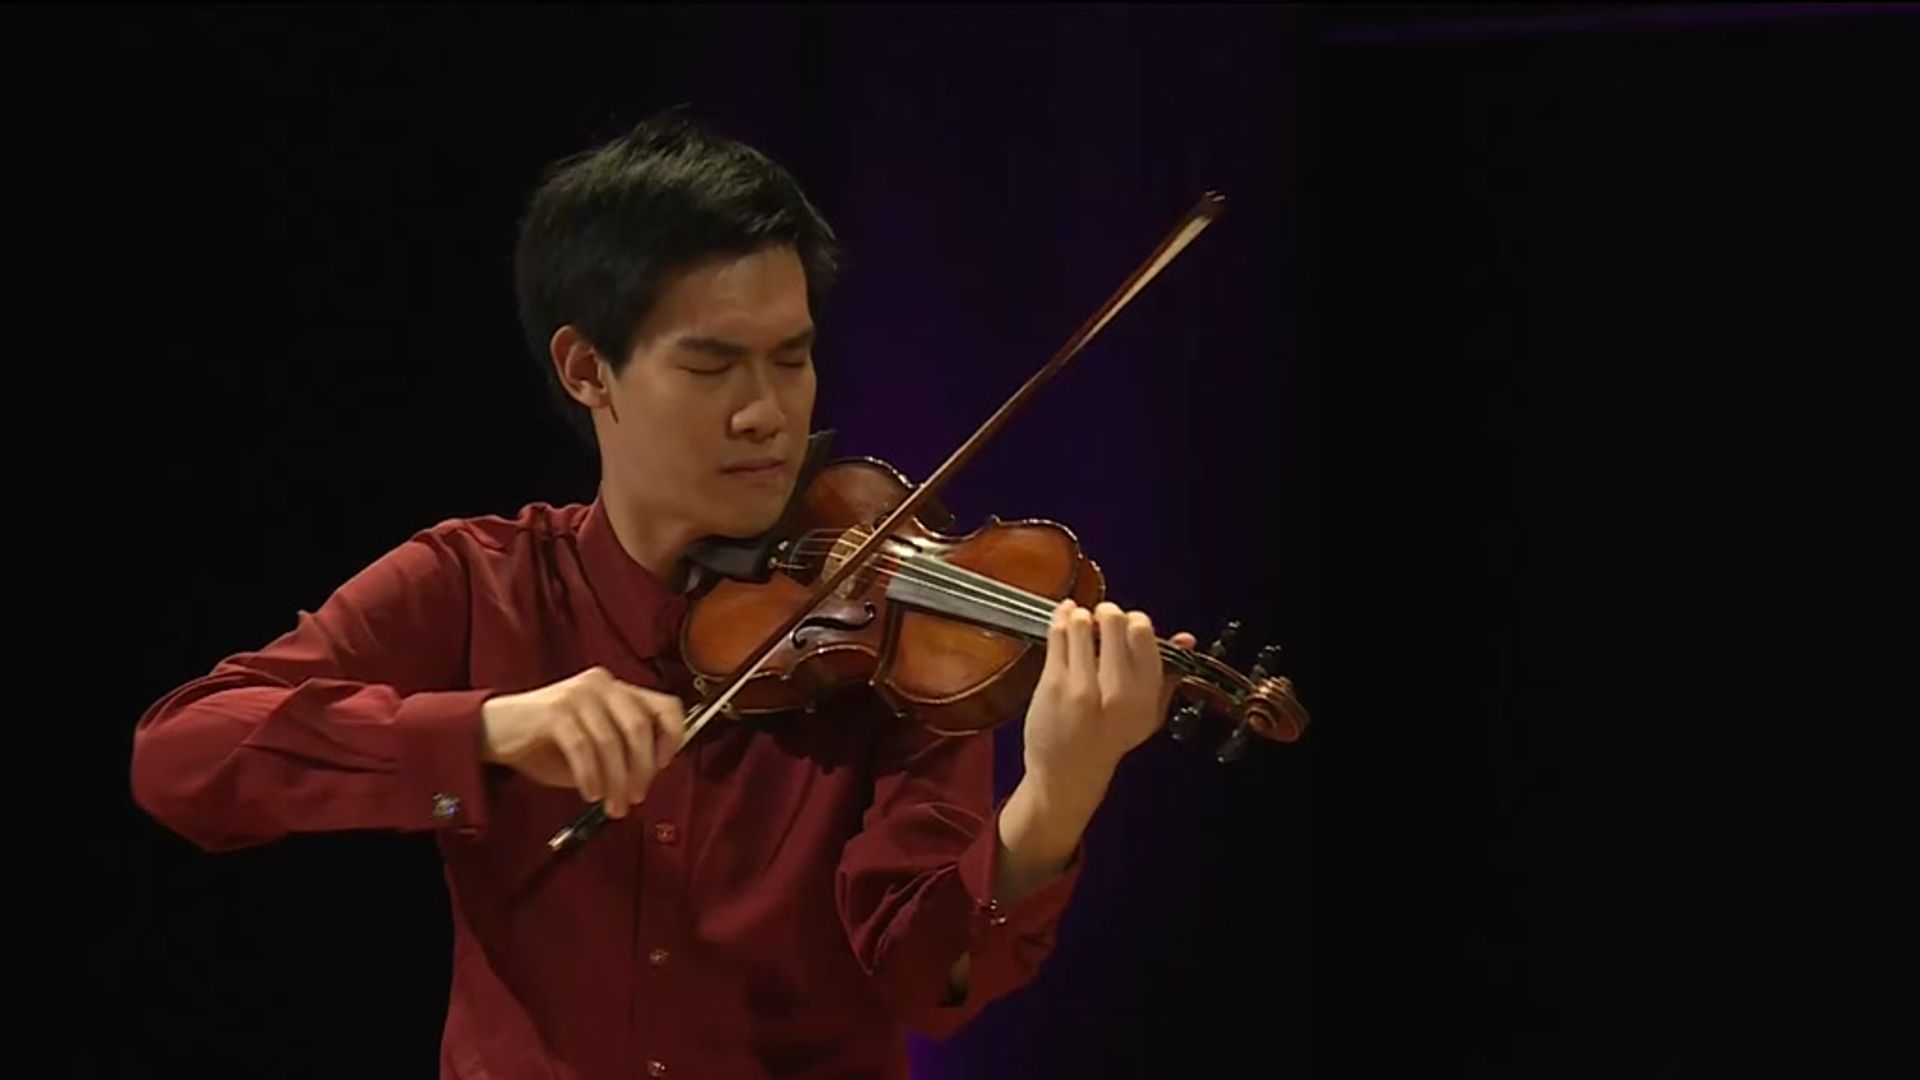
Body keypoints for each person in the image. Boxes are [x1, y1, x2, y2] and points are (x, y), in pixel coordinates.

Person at [129, 113, 1198, 1080]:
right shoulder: (479, 583)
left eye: (791, 360)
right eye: (712, 367)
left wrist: (1053, 801)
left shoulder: (894, 633)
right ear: (587, 369)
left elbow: (928, 983)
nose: (766, 413)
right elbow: (184, 759)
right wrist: (487, 736)